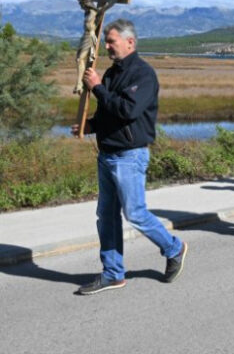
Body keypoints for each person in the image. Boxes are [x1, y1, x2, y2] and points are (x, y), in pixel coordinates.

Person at [71, 19, 187, 295]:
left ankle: (174, 247)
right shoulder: (112, 73)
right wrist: (91, 125)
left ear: (130, 42)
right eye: (106, 41)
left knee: (134, 212)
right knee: (106, 217)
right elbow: (108, 113)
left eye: (111, 41)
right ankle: (113, 273)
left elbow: (127, 111)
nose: (107, 46)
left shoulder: (143, 74)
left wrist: (98, 87)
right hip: (107, 154)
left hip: (129, 156)